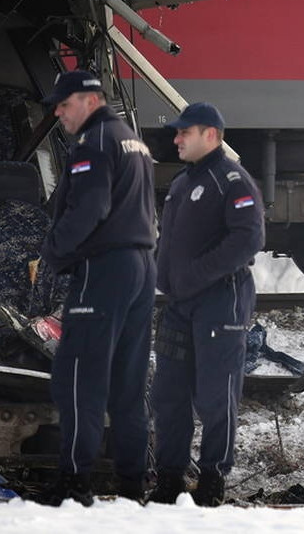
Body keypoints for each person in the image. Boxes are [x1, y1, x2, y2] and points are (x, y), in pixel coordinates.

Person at [33, 70, 157, 506]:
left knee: (77, 377)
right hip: (141, 269)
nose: (59, 113)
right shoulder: (130, 139)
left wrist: (52, 254)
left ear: (89, 100)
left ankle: (74, 484)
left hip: (104, 269)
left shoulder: (94, 143)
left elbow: (89, 208)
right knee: (127, 382)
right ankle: (131, 484)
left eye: (64, 105)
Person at [150, 102, 265, 507]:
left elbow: (248, 239)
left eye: (185, 132)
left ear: (211, 136)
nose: (176, 139)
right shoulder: (184, 181)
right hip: (179, 304)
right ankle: (169, 480)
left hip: (221, 301)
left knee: (216, 395)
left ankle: (212, 480)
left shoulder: (232, 180)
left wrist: (195, 275)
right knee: (169, 394)